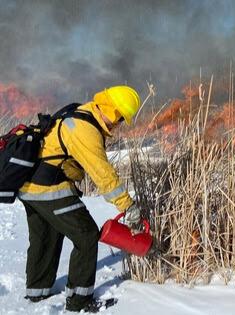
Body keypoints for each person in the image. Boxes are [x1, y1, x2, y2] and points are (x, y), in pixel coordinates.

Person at [18, 85, 143, 312]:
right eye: (119, 117)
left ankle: (38, 291)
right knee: (86, 235)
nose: (118, 124)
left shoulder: (81, 112)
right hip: (49, 188)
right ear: (109, 109)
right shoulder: (85, 129)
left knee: (45, 235)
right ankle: (80, 301)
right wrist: (128, 205)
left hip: (29, 186)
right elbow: (102, 173)